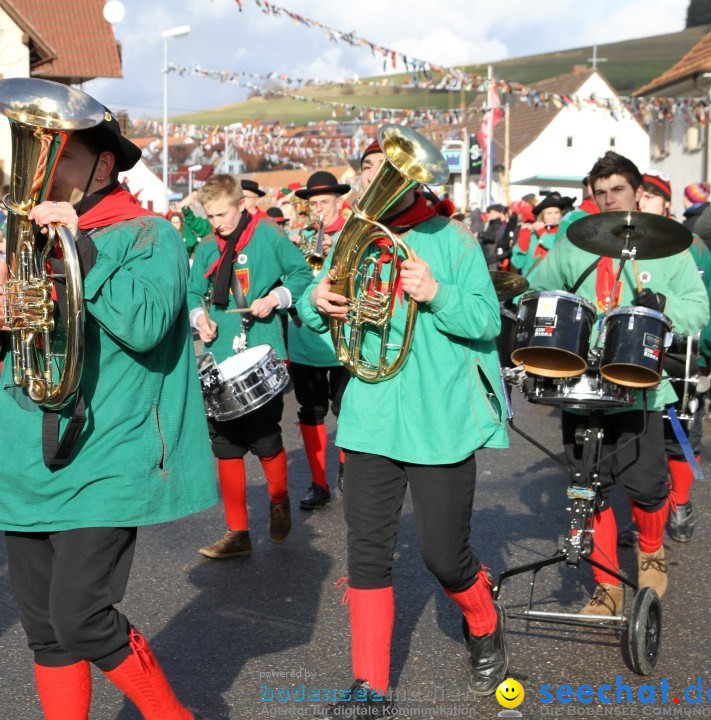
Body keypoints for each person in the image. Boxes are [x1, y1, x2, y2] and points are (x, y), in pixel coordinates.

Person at [0, 103, 215, 720]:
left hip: (108, 451)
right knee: (46, 632)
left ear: (104, 165)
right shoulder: (24, 238)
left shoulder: (149, 234)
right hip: (27, 450)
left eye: (65, 156)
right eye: (41, 155)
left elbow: (149, 323)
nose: (47, 170)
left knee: (80, 618)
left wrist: (79, 246)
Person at [300, 135, 509, 714]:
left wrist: (437, 292)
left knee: (445, 556)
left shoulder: (455, 240)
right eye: (368, 167)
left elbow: (488, 320)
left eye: (383, 168)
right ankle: (370, 688)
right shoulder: (352, 235)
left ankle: (485, 620)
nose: (371, 176)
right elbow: (321, 325)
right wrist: (315, 300)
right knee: (367, 554)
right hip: (369, 418)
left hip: (438, 421)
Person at [528, 151, 708, 617]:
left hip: (641, 384)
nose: (609, 199)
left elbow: (699, 310)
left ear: (637, 193)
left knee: (647, 487)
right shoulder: (574, 244)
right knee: (591, 486)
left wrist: (664, 308)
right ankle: (607, 586)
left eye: (618, 191)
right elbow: (536, 288)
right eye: (600, 193)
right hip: (581, 387)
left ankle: (651, 553)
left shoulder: (671, 246)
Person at [189, 173, 313, 559]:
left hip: (262, 349)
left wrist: (276, 297)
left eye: (222, 214)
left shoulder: (269, 235)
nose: (216, 223)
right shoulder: (208, 246)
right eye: (210, 216)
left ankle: (279, 502)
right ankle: (237, 533)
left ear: (242, 204)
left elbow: (303, 274)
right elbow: (194, 291)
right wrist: (199, 317)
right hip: (221, 352)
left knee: (263, 436)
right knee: (225, 445)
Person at [638, 172, 711, 542]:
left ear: (667, 203)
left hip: (680, 352)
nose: (643, 202)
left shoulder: (692, 245)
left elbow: (710, 300)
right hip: (636, 350)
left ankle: (682, 502)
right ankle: (648, 513)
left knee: (680, 432)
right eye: (640, 195)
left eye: (652, 196)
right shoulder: (624, 240)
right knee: (638, 437)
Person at [289, 170, 355, 511]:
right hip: (305, 341)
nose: (319, 209)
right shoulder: (299, 237)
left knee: (347, 409)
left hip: (342, 338)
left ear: (338, 202)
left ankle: (347, 468)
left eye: (324, 203)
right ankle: (319, 483)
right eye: (313, 204)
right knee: (310, 411)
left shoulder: (352, 234)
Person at [510, 192, 572, 278]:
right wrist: (523, 240)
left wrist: (543, 234)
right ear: (542, 216)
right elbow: (518, 264)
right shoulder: (534, 235)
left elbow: (560, 251)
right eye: (549, 213)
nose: (553, 216)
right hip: (531, 286)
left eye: (556, 212)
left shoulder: (565, 231)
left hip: (555, 285)